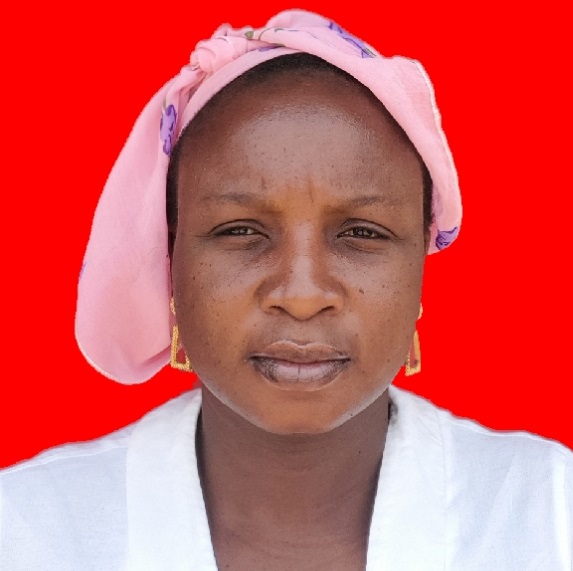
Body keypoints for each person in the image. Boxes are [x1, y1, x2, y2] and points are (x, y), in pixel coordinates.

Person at [0, 9, 571, 570]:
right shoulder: (26, 531)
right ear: (170, 253)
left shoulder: (550, 514)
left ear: (421, 254)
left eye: (362, 233)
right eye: (240, 231)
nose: (301, 294)